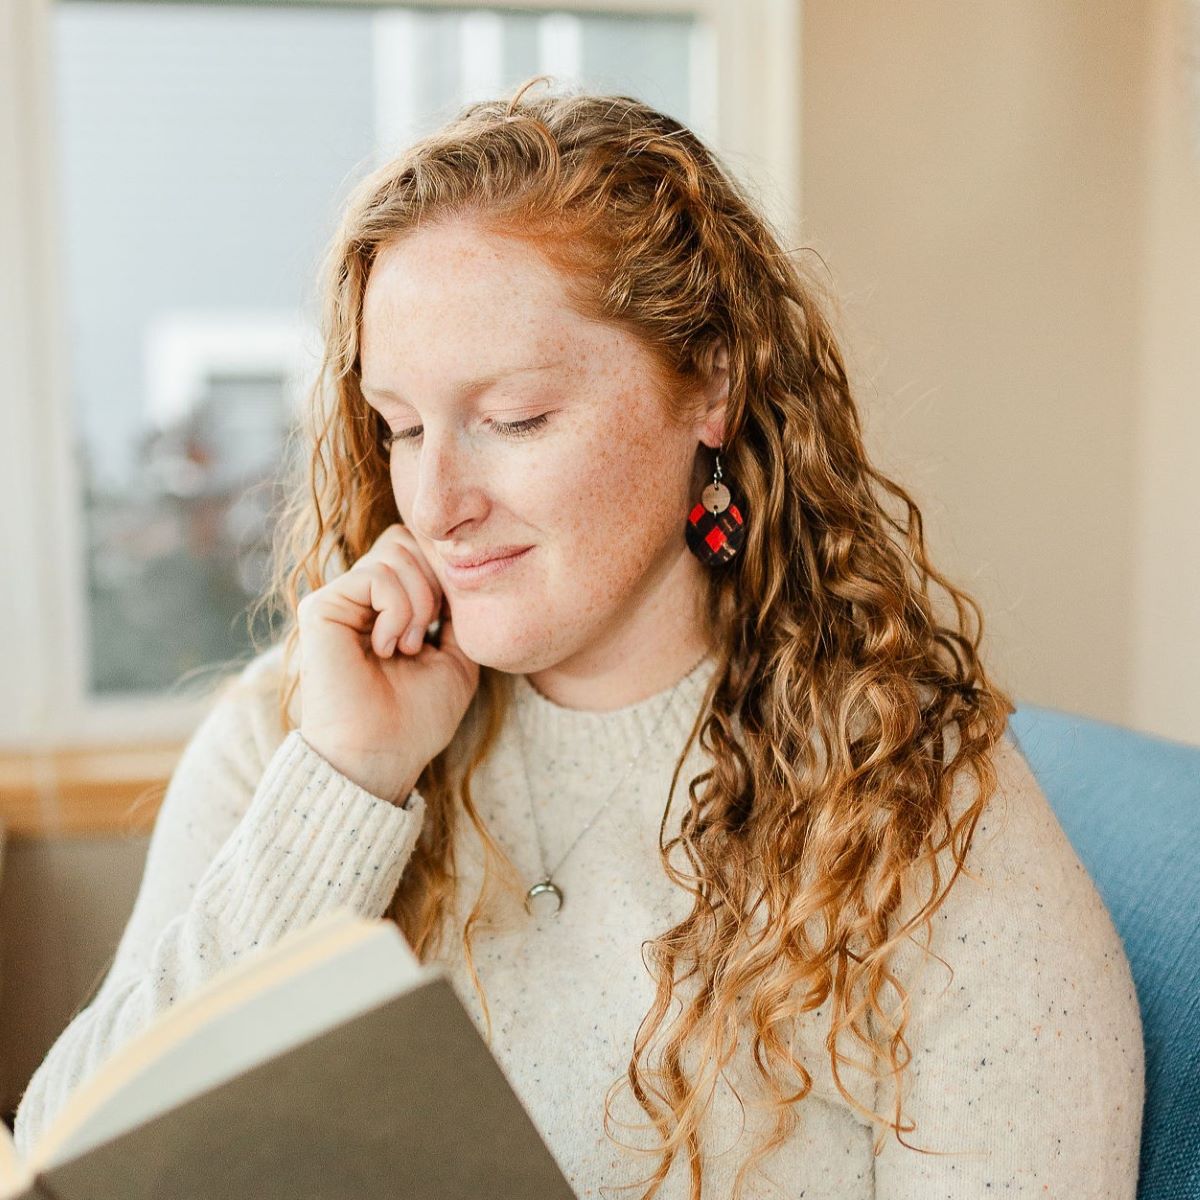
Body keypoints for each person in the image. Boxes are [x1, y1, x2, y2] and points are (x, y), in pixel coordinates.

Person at [14, 77, 1144, 1198]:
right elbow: (65, 1160)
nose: (437, 500)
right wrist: (349, 782)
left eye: (515, 420)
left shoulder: (914, 813)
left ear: (709, 386)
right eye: (400, 427)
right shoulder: (295, 730)